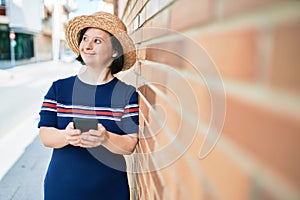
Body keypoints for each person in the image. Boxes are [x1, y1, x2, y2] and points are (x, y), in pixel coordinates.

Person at [38, 11, 139, 200]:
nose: (87, 45)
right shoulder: (59, 89)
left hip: (110, 191)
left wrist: (105, 138)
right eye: (85, 38)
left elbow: (130, 144)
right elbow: (45, 135)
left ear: (115, 51)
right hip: (61, 189)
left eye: (97, 41)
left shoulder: (127, 94)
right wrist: (66, 136)